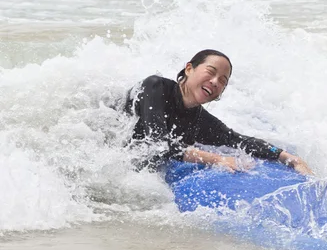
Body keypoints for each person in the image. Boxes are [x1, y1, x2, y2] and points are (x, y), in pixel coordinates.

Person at [125, 49, 313, 175]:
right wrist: (217, 159)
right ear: (189, 68)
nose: (215, 82)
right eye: (210, 72)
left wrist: (287, 157)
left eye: (223, 81)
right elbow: (156, 144)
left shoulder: (199, 120)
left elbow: (237, 140)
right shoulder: (155, 86)